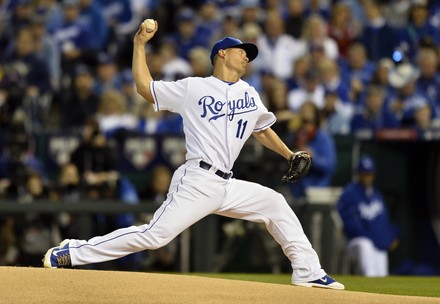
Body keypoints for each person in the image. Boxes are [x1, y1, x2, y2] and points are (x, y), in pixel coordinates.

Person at [43, 20, 344, 290]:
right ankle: (72, 251)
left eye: (248, 54)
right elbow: (145, 88)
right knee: (155, 236)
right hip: (198, 180)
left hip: (227, 184)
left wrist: (289, 153)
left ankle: (307, 270)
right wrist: (139, 45)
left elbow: (261, 129)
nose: (246, 56)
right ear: (222, 54)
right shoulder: (194, 88)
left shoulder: (249, 93)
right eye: (241, 51)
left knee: (275, 204)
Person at [337, 155, 400, 277]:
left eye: (369, 173)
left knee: (381, 269)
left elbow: (383, 220)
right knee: (366, 245)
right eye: (364, 173)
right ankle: (368, 279)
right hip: (355, 241)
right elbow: (350, 225)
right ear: (358, 174)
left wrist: (390, 235)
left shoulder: (376, 194)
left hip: (375, 241)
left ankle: (380, 289)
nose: (367, 177)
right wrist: (374, 237)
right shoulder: (349, 194)